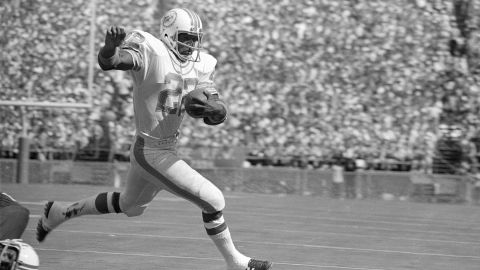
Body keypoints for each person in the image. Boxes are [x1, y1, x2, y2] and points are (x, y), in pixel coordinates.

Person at [36, 8, 272, 270]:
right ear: (169, 33)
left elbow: (213, 105)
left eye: (195, 39)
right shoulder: (152, 51)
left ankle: (58, 212)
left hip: (160, 149)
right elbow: (111, 62)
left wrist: (218, 111)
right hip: (151, 150)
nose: (191, 44)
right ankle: (235, 262)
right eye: (186, 37)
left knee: (130, 205)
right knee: (214, 200)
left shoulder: (202, 63)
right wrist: (109, 49)